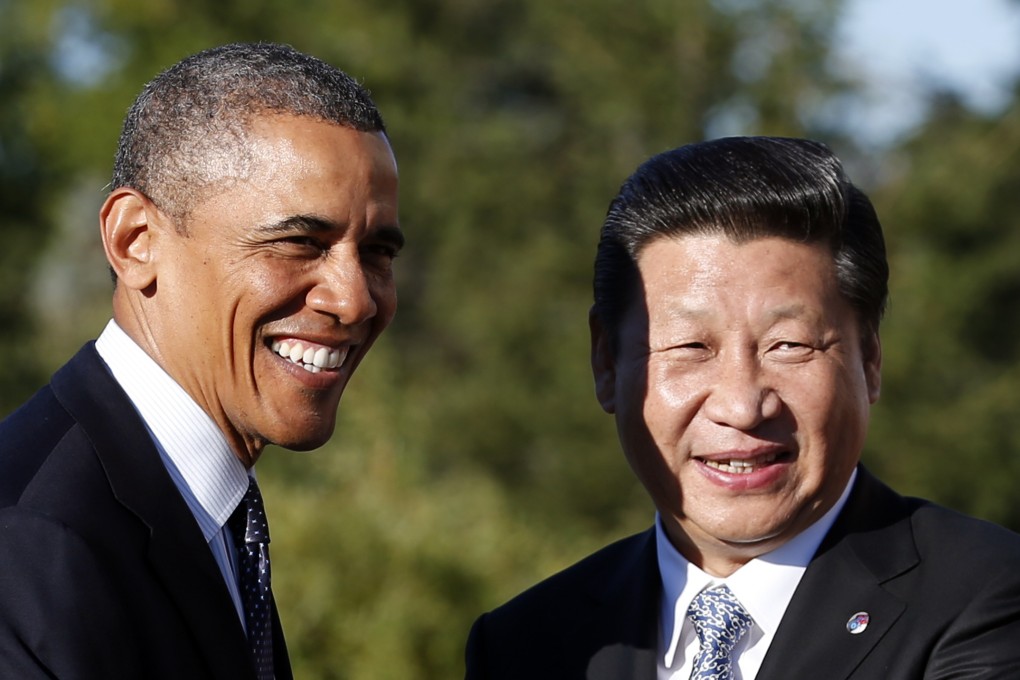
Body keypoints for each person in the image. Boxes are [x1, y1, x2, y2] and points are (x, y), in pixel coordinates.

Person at [464, 136, 1020, 679]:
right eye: (690, 347)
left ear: (869, 358)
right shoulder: (528, 643)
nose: (741, 405)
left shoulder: (983, 598)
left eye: (790, 345)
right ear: (606, 363)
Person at [0, 42, 403, 679]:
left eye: (379, 253)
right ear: (136, 242)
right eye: (299, 243)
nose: (354, 299)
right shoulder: (28, 547)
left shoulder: (202, 514)